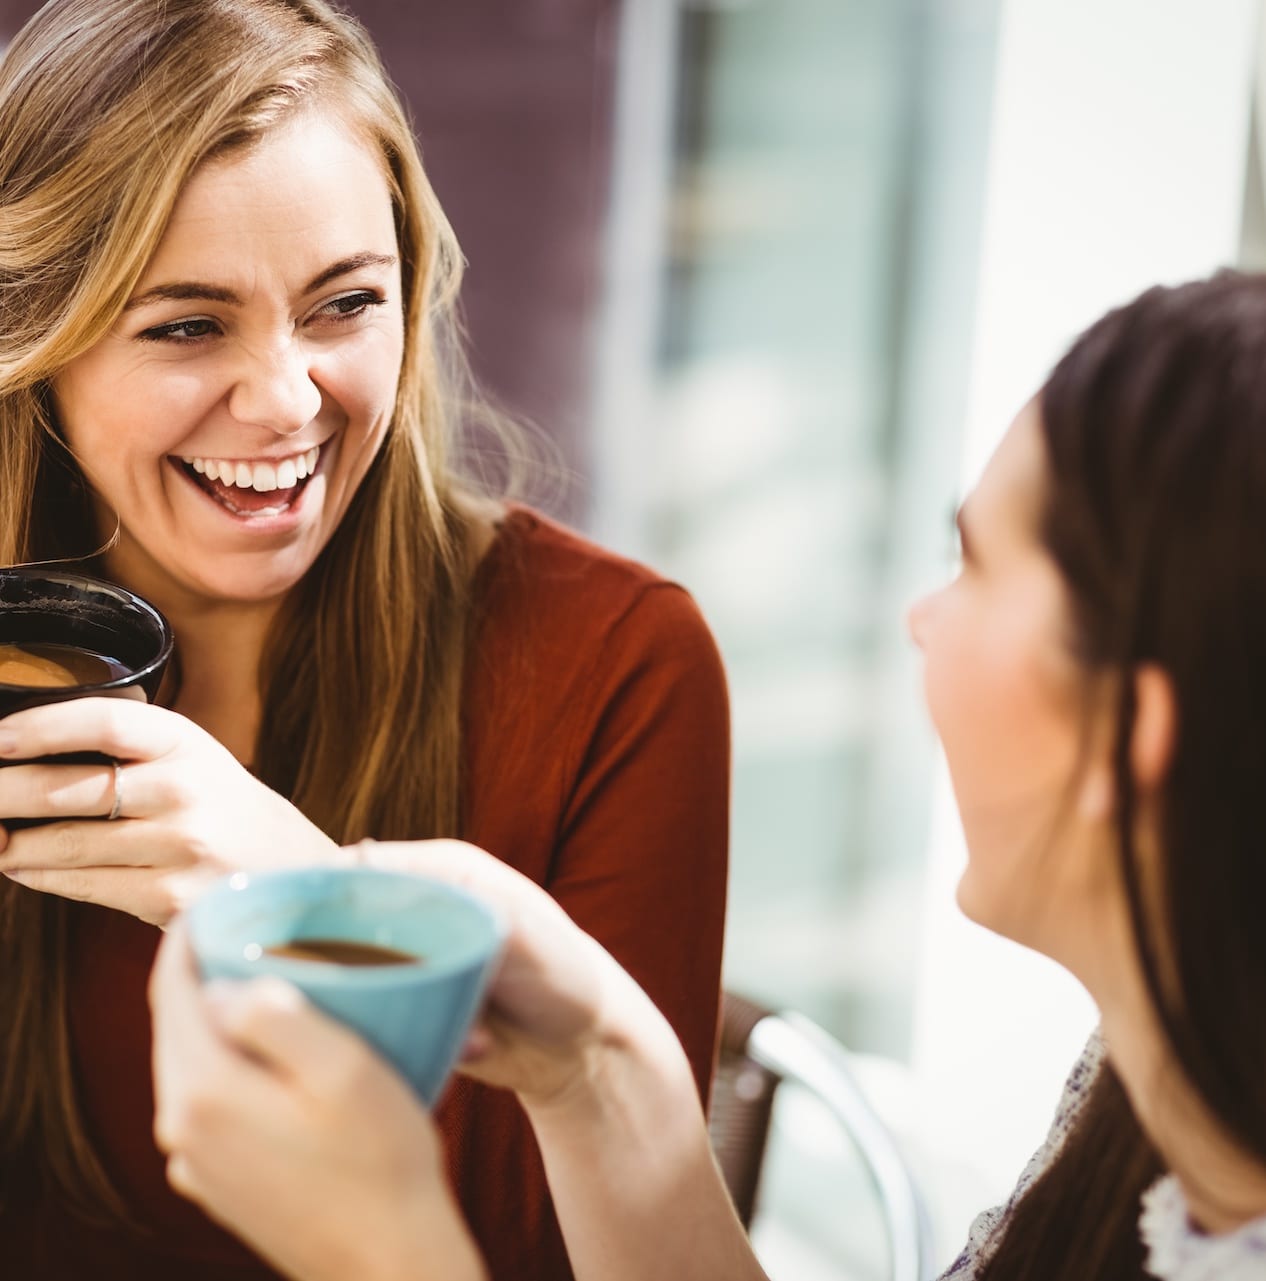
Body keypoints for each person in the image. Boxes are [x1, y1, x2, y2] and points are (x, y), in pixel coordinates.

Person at [152, 272, 1266, 1281]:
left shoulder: (618, 649)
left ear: (1129, 730)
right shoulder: (1152, 1100)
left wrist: (379, 1250)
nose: (923, 620)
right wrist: (599, 1071)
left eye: (972, 565)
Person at [0, 2, 729, 1278]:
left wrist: (320, 908)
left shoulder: (618, 663)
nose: (287, 401)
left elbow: (549, 1249)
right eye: (186, 325)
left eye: (343, 306)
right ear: (39, 345)